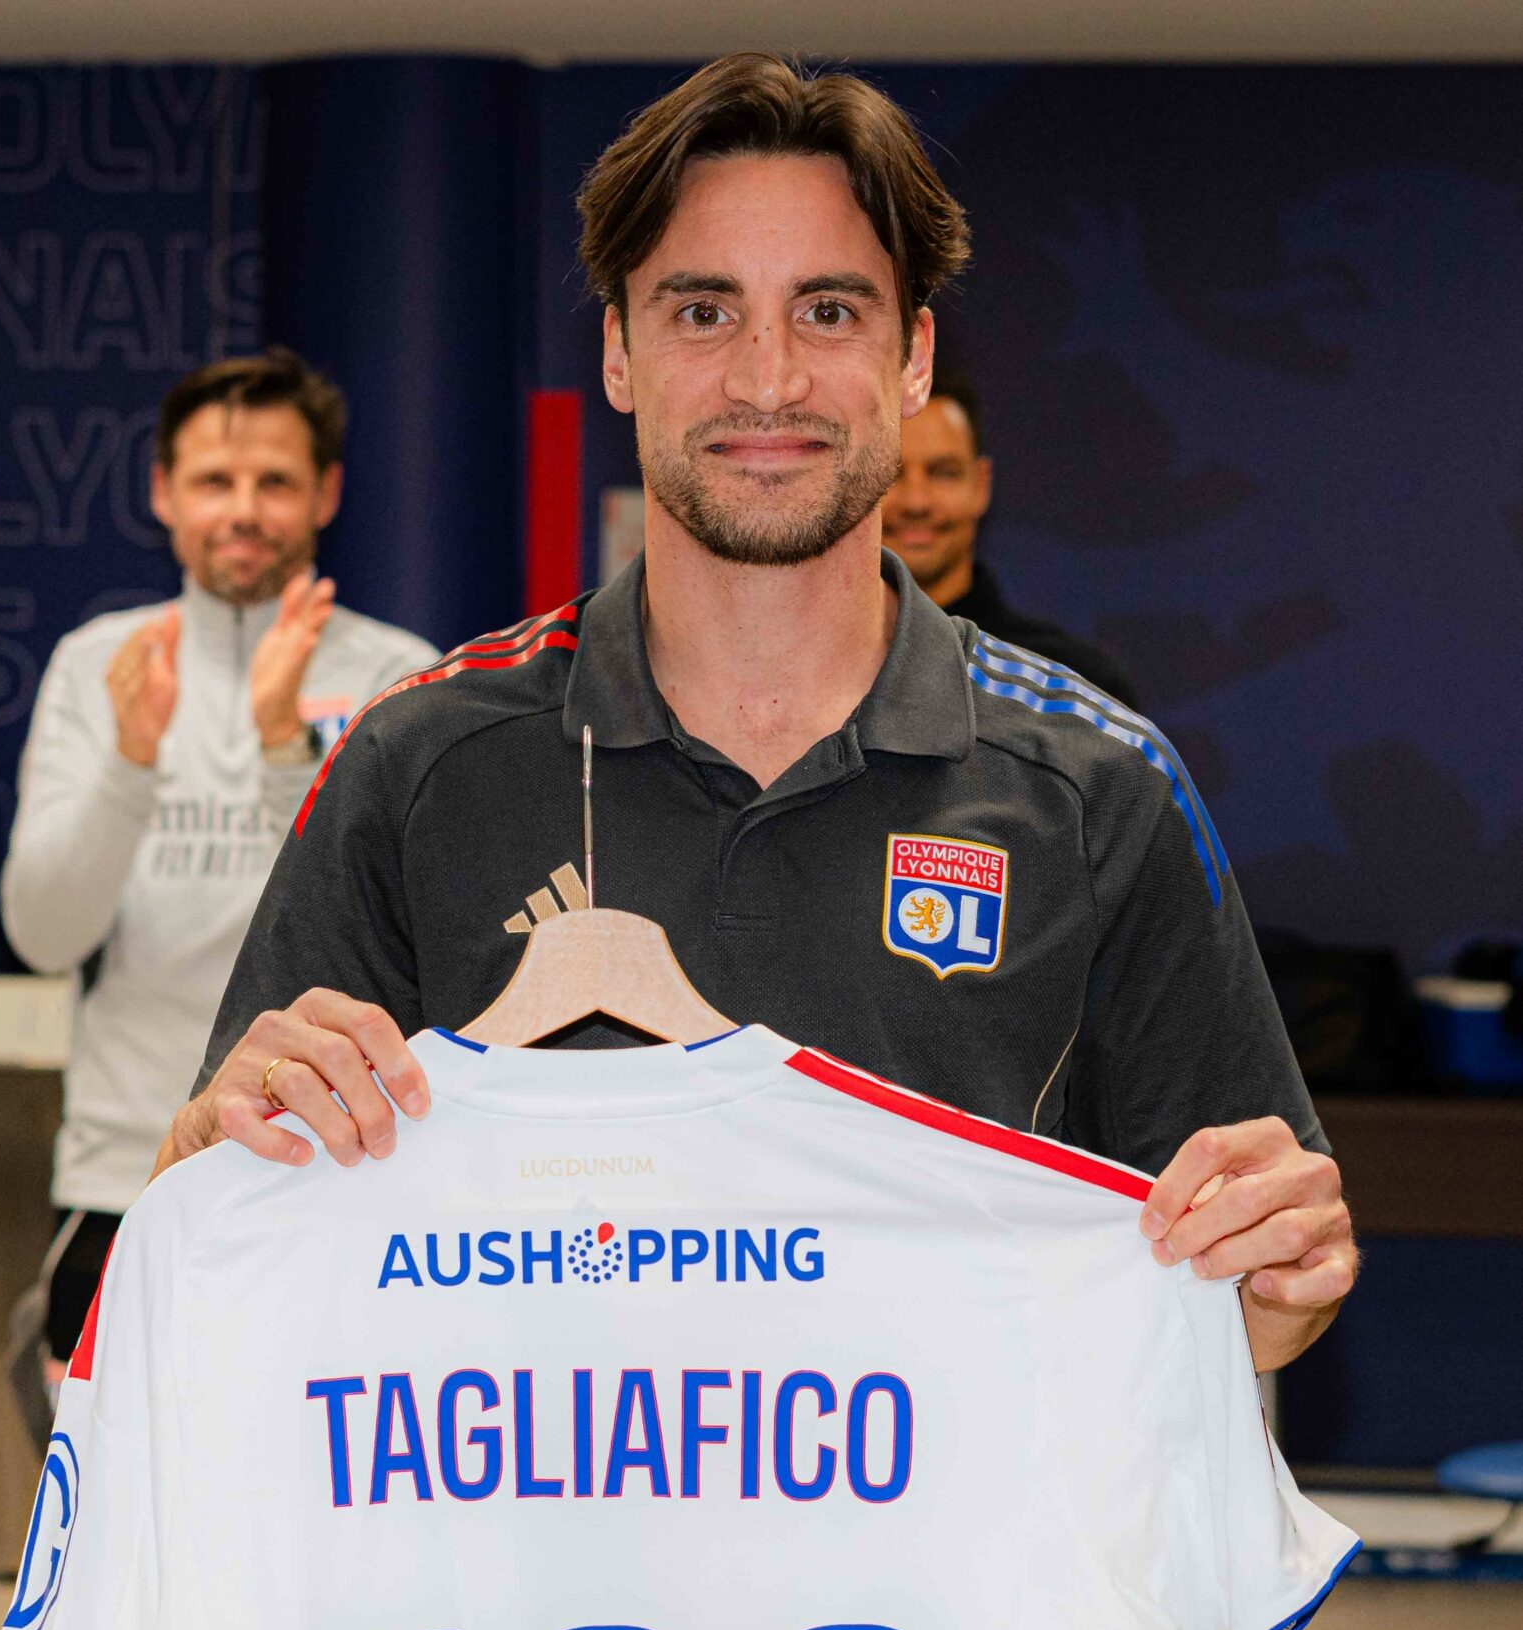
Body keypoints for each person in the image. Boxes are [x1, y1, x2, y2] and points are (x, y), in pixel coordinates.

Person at [163, 56, 1355, 1383]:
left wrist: (1278, 1282)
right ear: (619, 354)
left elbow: (1237, 1300)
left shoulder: (1096, 789)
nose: (767, 378)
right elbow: (222, 1242)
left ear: (912, 358)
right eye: (702, 310)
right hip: (525, 1517)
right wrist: (212, 1147)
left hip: (953, 1525)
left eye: (828, 310)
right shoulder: (417, 764)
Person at [0, 346, 438, 1630]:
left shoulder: (394, 676)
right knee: (109, 1579)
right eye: (211, 479)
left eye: (271, 481)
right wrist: (133, 762)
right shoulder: (100, 665)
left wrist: (274, 759)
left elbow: (393, 946)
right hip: (127, 1187)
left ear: (324, 497)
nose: (240, 510)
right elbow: (41, 929)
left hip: (340, 1199)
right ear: (162, 495)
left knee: (320, 1579)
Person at [882, 374, 1140, 705]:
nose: (916, 502)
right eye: (890, 473)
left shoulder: (1074, 687)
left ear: (981, 485)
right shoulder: (819, 673)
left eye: (944, 473)